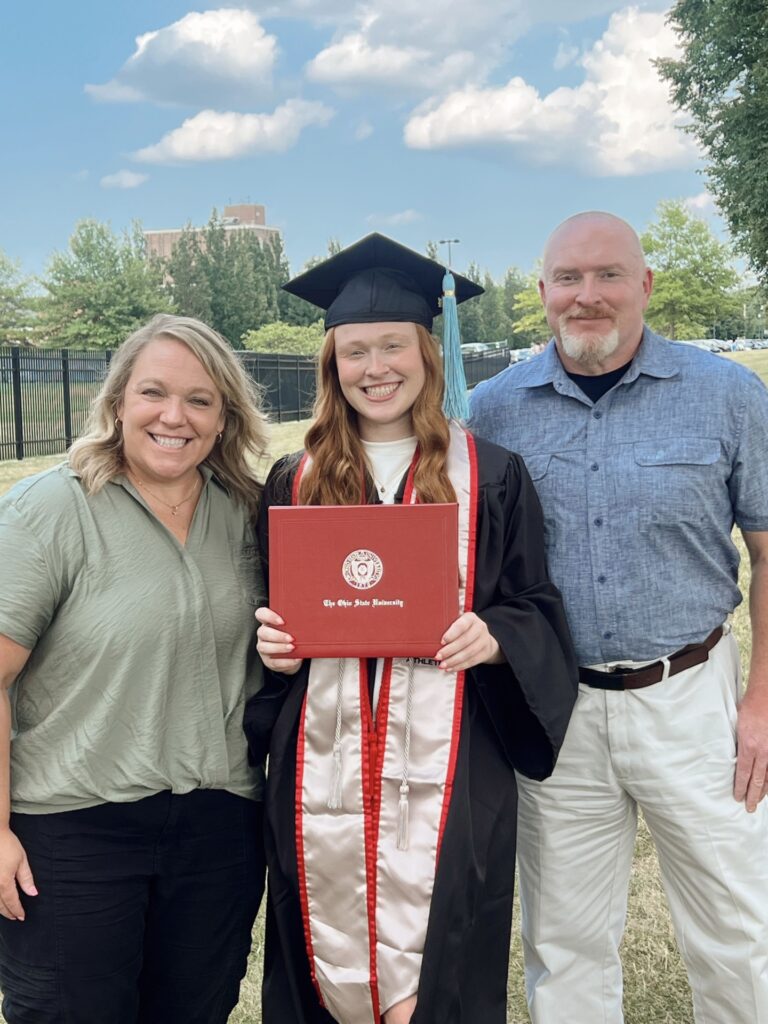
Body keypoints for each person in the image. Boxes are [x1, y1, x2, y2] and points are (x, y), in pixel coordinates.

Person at [244, 233, 578, 1024]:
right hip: (321, 758)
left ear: (430, 353)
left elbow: (535, 600)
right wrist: (273, 649)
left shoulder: (492, 474)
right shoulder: (294, 479)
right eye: (354, 351)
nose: (375, 367)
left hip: (452, 753)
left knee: (443, 951)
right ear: (332, 365)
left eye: (393, 344)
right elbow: (268, 615)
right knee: (319, 942)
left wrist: (495, 635)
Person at [469, 211, 768, 1023]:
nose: (587, 296)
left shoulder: (731, 398)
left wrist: (762, 704)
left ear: (645, 285)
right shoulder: (492, 409)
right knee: (563, 947)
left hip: (692, 696)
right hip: (556, 708)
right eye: (569, 279)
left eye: (607, 276)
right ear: (542, 294)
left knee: (737, 933)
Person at [0, 314, 270, 1024]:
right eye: (153, 393)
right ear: (118, 402)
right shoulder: (51, 511)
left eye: (200, 400)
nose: (174, 416)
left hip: (218, 830)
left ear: (224, 418)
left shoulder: (247, 515)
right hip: (72, 834)